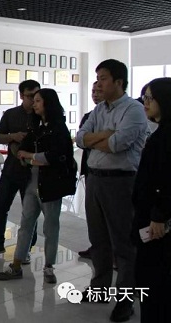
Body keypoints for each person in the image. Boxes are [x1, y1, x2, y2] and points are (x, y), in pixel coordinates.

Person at [75, 59, 147, 322]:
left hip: (120, 182)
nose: (98, 83)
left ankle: (125, 300)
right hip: (95, 180)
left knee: (123, 244)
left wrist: (98, 139)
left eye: (103, 78)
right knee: (99, 240)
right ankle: (100, 289)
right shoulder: (99, 110)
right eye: (97, 78)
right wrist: (103, 134)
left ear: (119, 82)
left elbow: (117, 144)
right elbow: (80, 138)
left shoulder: (133, 109)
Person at [0, 89, 76, 284]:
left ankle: (49, 267)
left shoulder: (58, 128)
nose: (34, 104)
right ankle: (16, 264)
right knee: (26, 224)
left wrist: (31, 157)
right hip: (32, 180)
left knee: (50, 227)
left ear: (48, 103)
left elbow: (53, 157)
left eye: (38, 101)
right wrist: (31, 157)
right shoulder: (37, 127)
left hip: (51, 184)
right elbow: (22, 150)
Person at [0, 80, 41, 261]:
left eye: (36, 95)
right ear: (21, 95)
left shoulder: (41, 116)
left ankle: (27, 248)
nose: (33, 99)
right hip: (11, 169)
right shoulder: (11, 114)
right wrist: (13, 136)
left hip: (32, 171)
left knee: (30, 212)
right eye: (29, 96)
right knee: (0, 206)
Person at [132, 77, 171, 323]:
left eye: (149, 98)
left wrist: (159, 214)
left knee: (154, 278)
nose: (144, 102)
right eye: (144, 97)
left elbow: (167, 179)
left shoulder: (167, 135)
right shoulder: (161, 131)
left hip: (158, 220)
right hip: (151, 215)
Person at [78, 82, 102, 258]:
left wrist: (92, 140)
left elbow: (117, 142)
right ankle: (97, 246)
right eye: (93, 91)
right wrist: (102, 140)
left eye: (98, 90)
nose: (95, 94)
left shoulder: (122, 114)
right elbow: (81, 140)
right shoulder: (89, 116)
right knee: (94, 214)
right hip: (91, 169)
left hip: (112, 173)